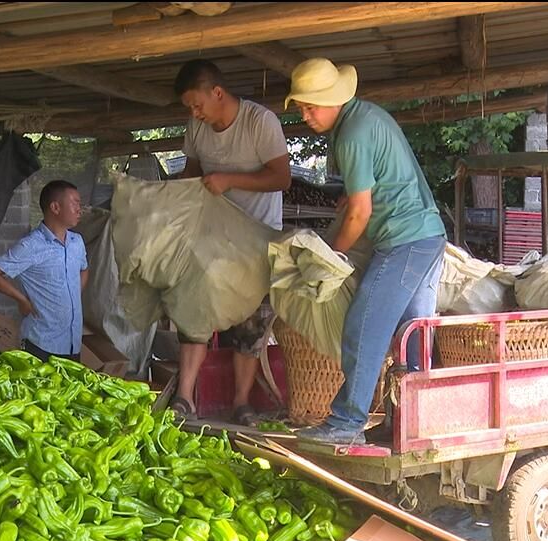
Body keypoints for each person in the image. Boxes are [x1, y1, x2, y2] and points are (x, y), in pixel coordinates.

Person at [285, 58, 447, 445]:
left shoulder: (351, 133)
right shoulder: (366, 117)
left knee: (364, 325)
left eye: (311, 106)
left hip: (404, 240)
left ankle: (346, 422)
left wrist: (330, 257)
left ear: (334, 99)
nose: (305, 116)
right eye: (301, 108)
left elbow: (360, 212)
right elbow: (369, 189)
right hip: (429, 237)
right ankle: (410, 426)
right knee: (412, 341)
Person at [168, 59, 292, 426]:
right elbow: (192, 174)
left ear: (217, 93)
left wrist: (229, 180)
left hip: (257, 240)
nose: (194, 113)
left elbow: (281, 178)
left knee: (249, 328)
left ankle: (241, 403)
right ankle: (184, 398)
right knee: (194, 313)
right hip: (210, 240)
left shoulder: (260, 122)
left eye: (197, 104)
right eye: (189, 108)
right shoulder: (197, 126)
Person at [0, 180, 89, 362]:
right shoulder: (31, 245)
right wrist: (22, 300)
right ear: (55, 207)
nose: (80, 209)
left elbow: (84, 270)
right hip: (41, 345)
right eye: (75, 203)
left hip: (72, 343)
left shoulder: (76, 242)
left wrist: (72, 294)